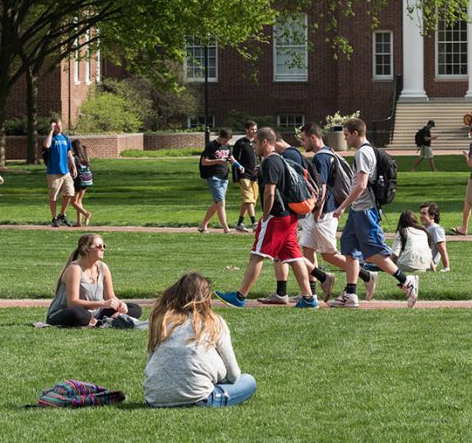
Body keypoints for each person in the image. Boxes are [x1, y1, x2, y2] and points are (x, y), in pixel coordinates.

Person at [216, 127, 317, 309]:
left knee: (257, 255)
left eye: (255, 142)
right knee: (294, 257)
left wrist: (265, 216)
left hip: (276, 217)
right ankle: (309, 298)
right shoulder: (280, 159)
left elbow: (270, 193)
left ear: (264, 142)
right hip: (289, 217)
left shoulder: (270, 162)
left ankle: (239, 297)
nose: (253, 146)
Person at [330, 117, 419, 308]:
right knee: (349, 248)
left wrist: (342, 206)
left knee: (373, 253)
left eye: (346, 135)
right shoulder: (368, 151)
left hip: (365, 210)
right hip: (358, 210)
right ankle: (351, 294)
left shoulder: (363, 153)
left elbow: (361, 185)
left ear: (355, 133)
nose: (345, 139)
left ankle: (406, 281)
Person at [144, 272, 256, 408]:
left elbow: (150, 364)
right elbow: (234, 375)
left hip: (154, 398)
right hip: (200, 398)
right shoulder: (214, 322)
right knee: (248, 380)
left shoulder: (162, 321)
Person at [297, 122, 348, 302]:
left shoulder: (321, 157)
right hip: (323, 210)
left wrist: (317, 209)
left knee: (329, 254)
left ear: (313, 137)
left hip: (324, 212)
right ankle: (311, 292)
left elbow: (322, 187)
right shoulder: (329, 152)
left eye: (303, 139)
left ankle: (364, 275)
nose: (302, 143)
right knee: (307, 249)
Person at [46, 234, 142, 328]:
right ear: (87, 250)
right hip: (65, 312)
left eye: (104, 246)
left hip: (96, 313)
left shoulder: (103, 267)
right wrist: (102, 304)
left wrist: (120, 305)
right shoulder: (74, 269)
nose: (103, 249)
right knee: (78, 313)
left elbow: (110, 297)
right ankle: (106, 321)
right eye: (99, 246)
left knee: (135, 309)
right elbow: (72, 303)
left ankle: (99, 321)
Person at [198, 128, 236, 234]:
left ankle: (203, 225)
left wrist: (238, 166)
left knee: (216, 203)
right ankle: (226, 228)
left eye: (228, 141)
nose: (226, 143)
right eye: (225, 140)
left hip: (224, 178)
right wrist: (217, 161)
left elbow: (231, 158)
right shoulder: (211, 146)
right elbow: (204, 162)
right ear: (220, 136)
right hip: (214, 177)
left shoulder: (227, 146)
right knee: (221, 202)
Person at [44, 120, 75, 228]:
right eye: (57, 126)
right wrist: (51, 131)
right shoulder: (51, 138)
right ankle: (54, 218)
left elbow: (69, 153)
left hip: (65, 172)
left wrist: (73, 166)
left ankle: (62, 214)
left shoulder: (65, 138)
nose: (60, 128)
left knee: (70, 193)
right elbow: (46, 146)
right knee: (53, 197)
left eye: (60, 126)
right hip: (53, 172)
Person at [230, 120, 259, 233]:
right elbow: (234, 159)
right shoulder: (240, 143)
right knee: (249, 199)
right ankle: (254, 223)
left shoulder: (257, 142)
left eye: (255, 129)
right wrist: (237, 175)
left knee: (250, 201)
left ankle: (240, 223)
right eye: (252, 129)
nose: (254, 131)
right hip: (244, 175)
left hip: (254, 175)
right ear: (246, 130)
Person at [69, 138, 93, 228]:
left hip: (78, 180)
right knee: (79, 201)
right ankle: (79, 222)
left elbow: (70, 167)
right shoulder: (85, 156)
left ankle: (86, 213)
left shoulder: (74, 157)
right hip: (86, 180)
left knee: (73, 202)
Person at [419, 202, 450, 272]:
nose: (421, 216)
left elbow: (442, 249)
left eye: (424, 213)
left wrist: (446, 267)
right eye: (420, 213)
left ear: (432, 216)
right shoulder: (424, 228)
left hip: (426, 264)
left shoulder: (436, 229)